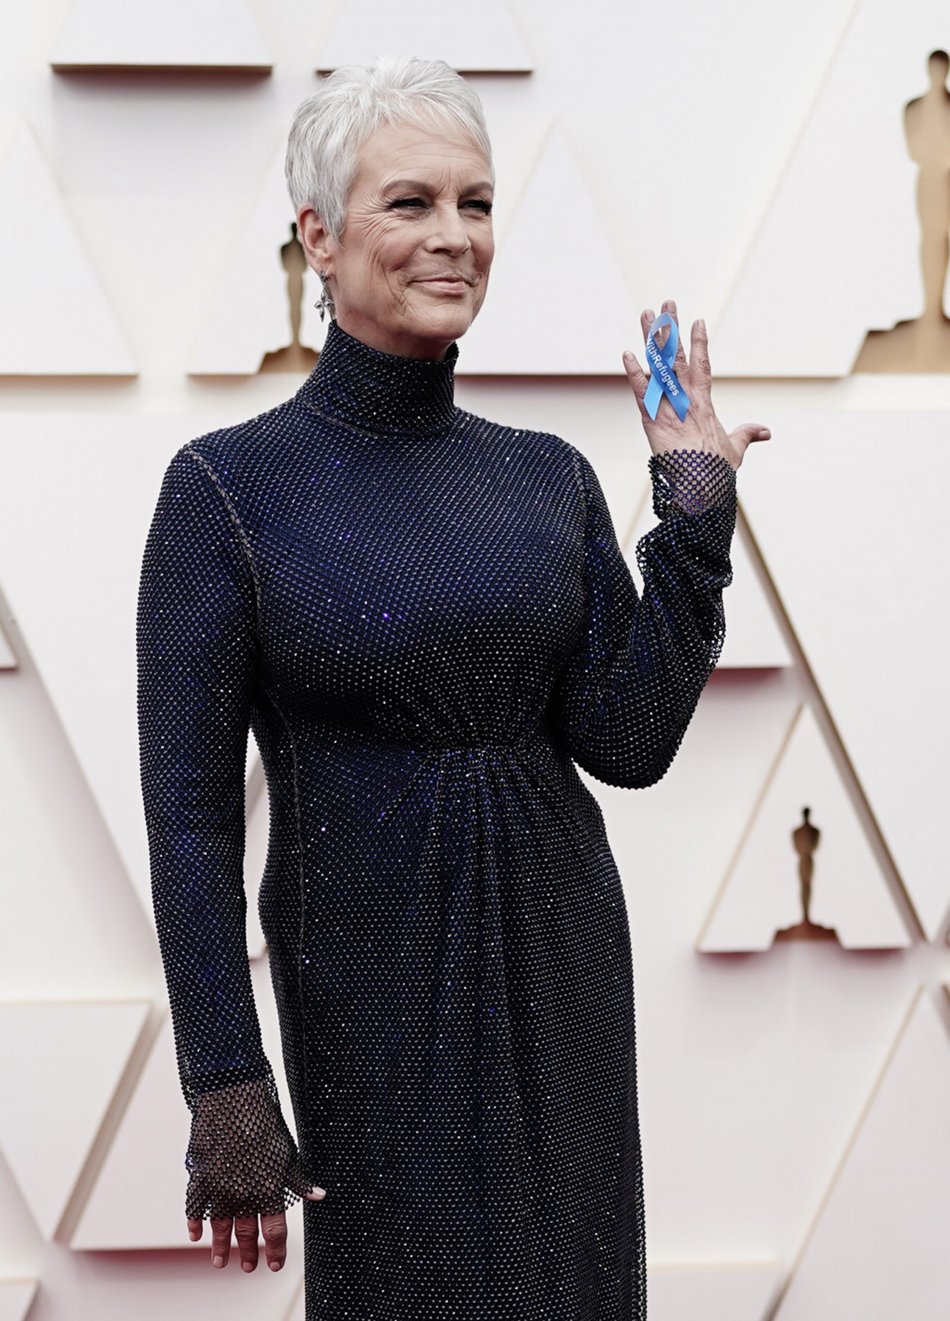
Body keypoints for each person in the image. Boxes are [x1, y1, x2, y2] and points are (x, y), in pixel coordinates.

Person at [136, 55, 770, 1321]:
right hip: (369, 987)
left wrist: (693, 519)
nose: (454, 235)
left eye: (475, 203)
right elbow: (190, 817)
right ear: (318, 236)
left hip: (561, 957)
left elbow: (627, 739)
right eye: (410, 202)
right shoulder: (223, 491)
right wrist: (224, 1079)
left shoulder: (543, 476)